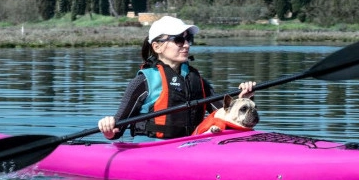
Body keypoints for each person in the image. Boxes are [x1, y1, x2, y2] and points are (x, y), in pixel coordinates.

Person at [98, 16, 255, 140]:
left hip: (191, 146)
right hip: (153, 150)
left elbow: (225, 113)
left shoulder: (196, 79)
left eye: (188, 39)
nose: (186, 45)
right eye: (179, 39)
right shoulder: (143, 81)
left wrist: (243, 99)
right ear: (157, 46)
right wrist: (108, 130)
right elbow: (117, 131)